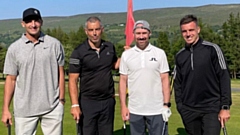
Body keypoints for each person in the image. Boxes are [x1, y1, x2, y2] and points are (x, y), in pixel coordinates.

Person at [1, 8, 65, 135]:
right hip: (24, 110)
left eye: (36, 21)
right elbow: (11, 79)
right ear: (23, 24)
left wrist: (61, 100)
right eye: (29, 21)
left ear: (41, 22)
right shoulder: (14, 48)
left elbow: (60, 73)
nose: (33, 24)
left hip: (52, 108)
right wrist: (5, 109)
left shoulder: (54, 44)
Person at [174, 14, 232, 135]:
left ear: (198, 30)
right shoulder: (180, 55)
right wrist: (180, 106)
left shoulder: (212, 49)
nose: (188, 34)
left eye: (191, 30)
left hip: (211, 108)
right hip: (189, 110)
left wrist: (225, 106)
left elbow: (224, 77)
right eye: (184, 31)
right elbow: (177, 83)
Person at [68, 16, 120, 135]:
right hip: (88, 102)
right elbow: (73, 80)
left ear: (102, 29)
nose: (94, 33)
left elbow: (114, 65)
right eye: (91, 30)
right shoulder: (78, 52)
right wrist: (75, 105)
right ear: (86, 31)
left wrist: (128, 55)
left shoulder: (110, 47)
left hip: (107, 101)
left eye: (97, 29)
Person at [119, 20, 172, 135]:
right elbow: (123, 81)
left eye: (144, 33)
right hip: (135, 110)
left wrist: (166, 105)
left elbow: (165, 79)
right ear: (134, 34)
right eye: (138, 33)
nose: (141, 36)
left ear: (149, 33)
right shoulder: (126, 55)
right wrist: (123, 106)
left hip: (157, 109)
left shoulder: (159, 53)